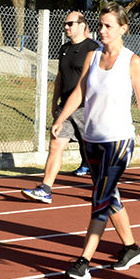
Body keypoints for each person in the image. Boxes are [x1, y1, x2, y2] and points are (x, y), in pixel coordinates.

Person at [53, 3, 140, 279]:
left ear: (123, 29)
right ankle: (130, 248)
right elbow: (80, 93)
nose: (102, 30)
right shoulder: (92, 56)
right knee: (109, 194)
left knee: (100, 198)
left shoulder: (132, 61)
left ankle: (83, 261)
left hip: (118, 141)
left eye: (108, 26)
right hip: (92, 138)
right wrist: (60, 118)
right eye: (100, 25)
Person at [22, 11, 99, 204]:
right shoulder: (64, 48)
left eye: (70, 23)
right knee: (56, 144)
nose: (66, 27)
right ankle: (45, 188)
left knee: (92, 153)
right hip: (65, 107)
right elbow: (60, 77)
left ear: (82, 25)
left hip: (86, 108)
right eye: (65, 24)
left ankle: (101, 189)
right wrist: (54, 100)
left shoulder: (94, 48)